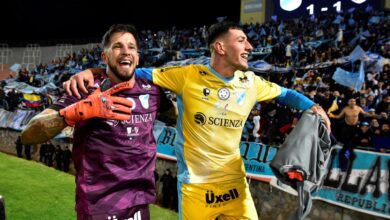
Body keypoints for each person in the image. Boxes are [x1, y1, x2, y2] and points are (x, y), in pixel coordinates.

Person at [64, 21, 331, 220]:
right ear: (220, 47)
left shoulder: (252, 83)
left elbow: (286, 94)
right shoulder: (186, 76)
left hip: (235, 184)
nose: (250, 46)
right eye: (241, 40)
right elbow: (131, 70)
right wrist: (91, 71)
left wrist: (314, 106)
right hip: (195, 188)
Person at [21, 24, 173, 220]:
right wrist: (73, 113)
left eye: (131, 47)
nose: (126, 51)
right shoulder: (84, 89)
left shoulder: (153, 90)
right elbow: (28, 134)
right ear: (104, 57)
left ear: (137, 55)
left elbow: (175, 114)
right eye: (118, 46)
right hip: (99, 206)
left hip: (139, 202)